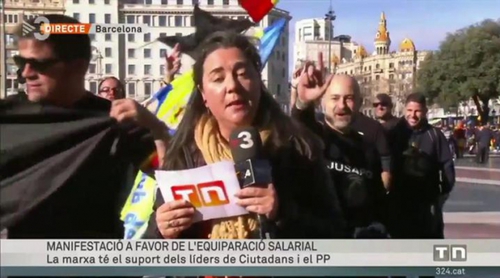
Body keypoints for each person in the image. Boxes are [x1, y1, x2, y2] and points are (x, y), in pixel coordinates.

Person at [144, 32, 346, 240]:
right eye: (218, 78)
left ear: (259, 81)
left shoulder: (298, 148)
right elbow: (148, 252)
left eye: (242, 74)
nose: (232, 86)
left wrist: (282, 213)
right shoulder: (183, 156)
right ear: (203, 94)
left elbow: (336, 234)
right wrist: (162, 231)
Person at [3, 14, 169, 239]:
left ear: (77, 67)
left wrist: (156, 129)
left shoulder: (116, 123)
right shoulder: (6, 116)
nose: (26, 73)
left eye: (39, 64)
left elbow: (173, 176)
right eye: (21, 63)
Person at [292, 70, 388, 239]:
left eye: (349, 98)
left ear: (359, 103)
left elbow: (377, 199)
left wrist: (378, 225)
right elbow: (299, 123)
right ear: (323, 102)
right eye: (335, 98)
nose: (342, 105)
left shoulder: (368, 148)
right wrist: (303, 102)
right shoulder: (314, 137)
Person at [389, 93, 455, 239]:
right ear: (404, 110)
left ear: (425, 111)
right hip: (398, 201)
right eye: (410, 110)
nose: (413, 115)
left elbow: (447, 165)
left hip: (427, 203)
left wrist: (443, 192)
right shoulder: (393, 133)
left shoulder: (435, 135)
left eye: (417, 111)